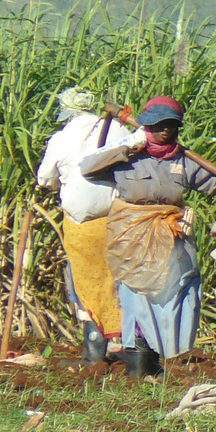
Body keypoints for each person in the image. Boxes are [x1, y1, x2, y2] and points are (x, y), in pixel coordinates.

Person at [80, 96, 216, 376]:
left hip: (172, 235)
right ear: (147, 126)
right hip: (131, 236)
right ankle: (139, 360)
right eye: (159, 125)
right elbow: (87, 168)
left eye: (171, 126)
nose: (165, 131)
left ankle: (172, 358)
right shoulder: (129, 157)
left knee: (179, 292)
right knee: (137, 296)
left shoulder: (183, 161)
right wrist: (128, 146)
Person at [35, 87, 135, 363]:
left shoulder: (62, 137)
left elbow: (45, 178)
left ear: (68, 113)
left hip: (82, 222)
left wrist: (61, 181)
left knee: (84, 281)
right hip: (117, 217)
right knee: (119, 278)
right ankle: (130, 347)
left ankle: (94, 354)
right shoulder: (118, 130)